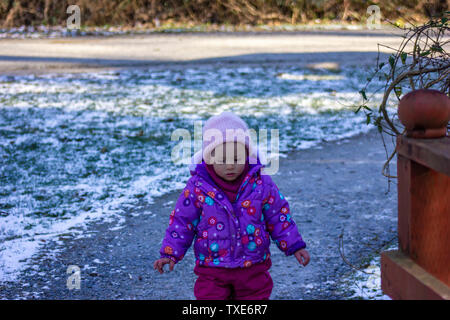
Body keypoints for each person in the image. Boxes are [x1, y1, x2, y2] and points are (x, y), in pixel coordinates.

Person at [154, 111, 310, 300]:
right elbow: (182, 222)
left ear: (248, 155)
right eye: (222, 159)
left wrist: (294, 245)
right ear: (209, 156)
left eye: (236, 159)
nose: (230, 166)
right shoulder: (198, 188)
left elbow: (278, 217)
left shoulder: (261, 184)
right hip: (212, 268)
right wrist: (170, 254)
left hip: (253, 267)